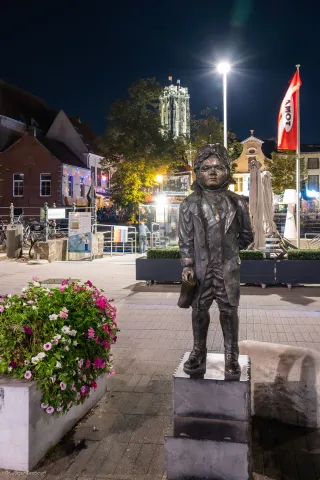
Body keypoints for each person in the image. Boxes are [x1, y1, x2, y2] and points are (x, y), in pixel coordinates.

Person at [178, 144, 253, 377]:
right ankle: (198, 350)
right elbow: (185, 239)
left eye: (219, 167)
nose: (212, 172)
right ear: (197, 172)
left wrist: (230, 253)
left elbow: (248, 236)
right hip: (201, 270)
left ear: (227, 172)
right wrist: (188, 265)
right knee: (199, 310)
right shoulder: (189, 204)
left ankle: (231, 354)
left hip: (227, 268)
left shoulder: (237, 202)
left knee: (229, 311)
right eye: (206, 168)